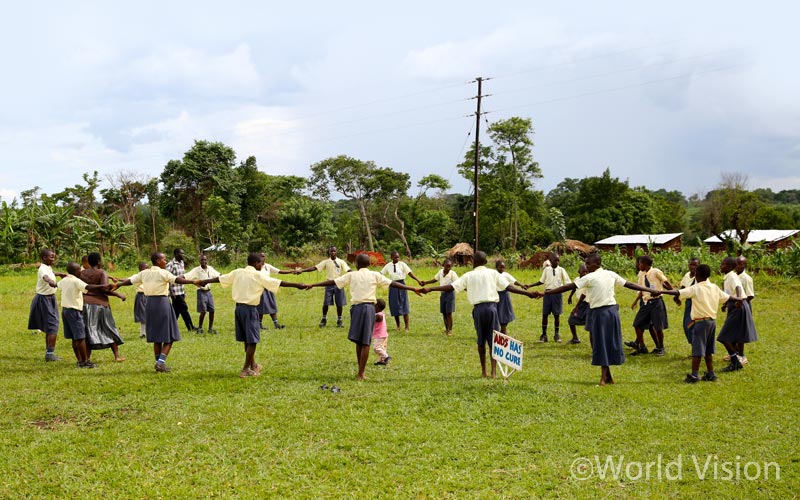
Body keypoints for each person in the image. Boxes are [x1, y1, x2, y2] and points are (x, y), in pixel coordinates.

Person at [532, 253, 661, 386]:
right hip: (610, 313)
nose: (586, 267)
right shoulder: (607, 274)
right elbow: (629, 285)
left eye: (588, 264)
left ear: (597, 263)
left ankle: (604, 378)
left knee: (601, 343)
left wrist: (545, 293)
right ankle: (608, 376)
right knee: (602, 343)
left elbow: (568, 287)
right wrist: (648, 290)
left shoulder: (593, 276)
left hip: (602, 313)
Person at [421, 251, 534, 379]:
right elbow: (509, 287)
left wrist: (431, 289)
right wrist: (528, 294)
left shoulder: (469, 275)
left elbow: (451, 287)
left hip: (479, 310)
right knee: (493, 341)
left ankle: (484, 371)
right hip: (492, 309)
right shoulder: (493, 273)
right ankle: (493, 372)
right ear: (486, 262)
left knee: (481, 341)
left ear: (473, 261)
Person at [308, 253, 420, 380]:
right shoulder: (374, 274)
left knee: (359, 341)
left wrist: (313, 285)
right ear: (369, 264)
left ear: (356, 264)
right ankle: (361, 373)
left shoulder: (351, 275)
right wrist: (412, 288)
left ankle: (360, 373)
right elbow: (393, 284)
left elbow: (332, 282)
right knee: (365, 341)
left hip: (356, 308)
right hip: (368, 309)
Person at [199, 253, 309, 378]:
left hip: (238, 309)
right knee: (253, 340)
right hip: (250, 309)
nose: (262, 266)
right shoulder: (258, 275)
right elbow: (279, 282)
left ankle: (253, 366)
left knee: (247, 338)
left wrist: (204, 281)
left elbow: (219, 279)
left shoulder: (237, 272)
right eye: (261, 264)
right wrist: (297, 285)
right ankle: (245, 369)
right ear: (256, 263)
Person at [113, 252, 201, 373]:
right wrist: (193, 282)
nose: (166, 261)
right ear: (158, 261)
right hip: (162, 303)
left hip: (149, 304)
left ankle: (158, 363)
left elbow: (130, 281)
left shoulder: (144, 273)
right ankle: (160, 363)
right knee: (170, 336)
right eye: (164, 259)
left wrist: (118, 285)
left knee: (156, 337)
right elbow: (177, 280)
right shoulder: (163, 272)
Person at [661, 264, 744, 383]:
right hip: (711, 322)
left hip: (700, 323)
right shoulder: (714, 287)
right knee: (708, 350)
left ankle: (694, 376)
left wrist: (658, 291)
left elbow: (678, 292)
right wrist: (739, 299)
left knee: (697, 351)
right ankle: (711, 373)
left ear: (696, 275)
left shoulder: (696, 288)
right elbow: (727, 297)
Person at [57, 262, 112, 368]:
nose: (81, 272)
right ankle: (85, 362)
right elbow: (88, 287)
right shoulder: (76, 281)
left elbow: (56, 285)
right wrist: (104, 285)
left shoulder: (64, 280)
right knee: (80, 337)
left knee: (74, 337)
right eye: (79, 270)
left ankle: (79, 360)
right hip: (74, 311)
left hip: (65, 311)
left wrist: (49, 281)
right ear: (75, 272)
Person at [81, 252, 126, 362]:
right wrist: (117, 294)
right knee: (109, 327)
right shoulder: (101, 273)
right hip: (100, 304)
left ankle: (86, 358)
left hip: (85, 304)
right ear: (99, 262)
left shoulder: (82, 273)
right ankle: (117, 356)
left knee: (89, 329)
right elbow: (104, 289)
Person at [717, 256, 758, 371]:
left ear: (729, 267)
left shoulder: (732, 276)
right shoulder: (728, 276)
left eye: (723, 264)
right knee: (731, 335)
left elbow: (738, 287)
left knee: (724, 337)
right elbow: (729, 293)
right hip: (733, 305)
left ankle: (736, 360)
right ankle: (736, 359)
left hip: (738, 306)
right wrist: (725, 304)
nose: (721, 266)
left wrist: (739, 300)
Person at [628, 255, 673, 356]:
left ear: (645, 264)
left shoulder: (656, 272)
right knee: (637, 324)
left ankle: (661, 347)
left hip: (656, 302)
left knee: (658, 327)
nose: (638, 265)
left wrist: (674, 293)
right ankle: (642, 347)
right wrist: (635, 301)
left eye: (640, 263)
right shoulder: (641, 274)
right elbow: (642, 288)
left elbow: (665, 282)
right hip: (646, 303)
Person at [296, 246, 351, 328]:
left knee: (339, 303)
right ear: (329, 252)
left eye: (334, 251)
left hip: (339, 283)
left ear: (336, 252)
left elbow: (348, 270)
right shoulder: (326, 262)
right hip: (328, 283)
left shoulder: (341, 262)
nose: (333, 253)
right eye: (331, 251)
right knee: (326, 303)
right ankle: (324, 319)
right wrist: (302, 271)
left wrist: (357, 273)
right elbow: (314, 268)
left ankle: (339, 320)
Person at [28, 248, 66, 362]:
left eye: (54, 256)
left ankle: (49, 353)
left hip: (50, 298)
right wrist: (54, 284)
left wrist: (60, 274)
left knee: (51, 325)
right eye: (51, 257)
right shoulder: (42, 270)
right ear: (44, 258)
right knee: (53, 326)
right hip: (44, 299)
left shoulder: (47, 267)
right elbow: (46, 277)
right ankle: (49, 354)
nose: (53, 259)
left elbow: (50, 273)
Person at [527, 253, 571, 342]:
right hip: (547, 294)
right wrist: (530, 285)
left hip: (558, 294)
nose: (557, 262)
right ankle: (544, 335)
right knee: (545, 314)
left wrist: (570, 294)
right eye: (555, 260)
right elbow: (541, 281)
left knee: (556, 315)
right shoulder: (547, 270)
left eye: (558, 260)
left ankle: (557, 334)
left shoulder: (561, 270)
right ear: (550, 261)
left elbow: (568, 283)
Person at [380, 251, 423, 332]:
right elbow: (381, 274)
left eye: (398, 257)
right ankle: (398, 326)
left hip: (402, 284)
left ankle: (407, 327)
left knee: (404, 305)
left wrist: (418, 280)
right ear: (391, 257)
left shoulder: (402, 264)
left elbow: (410, 273)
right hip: (393, 285)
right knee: (394, 305)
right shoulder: (388, 266)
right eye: (395, 257)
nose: (397, 258)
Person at [183, 254, 221, 334]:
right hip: (201, 292)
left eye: (205, 260)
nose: (204, 261)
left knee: (212, 310)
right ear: (199, 261)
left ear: (207, 260)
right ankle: (200, 327)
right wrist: (179, 278)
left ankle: (210, 328)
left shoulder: (210, 269)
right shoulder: (196, 270)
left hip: (208, 291)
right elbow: (187, 276)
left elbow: (219, 275)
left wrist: (226, 277)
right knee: (203, 311)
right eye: (202, 260)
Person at [419, 258, 458, 335]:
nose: (448, 268)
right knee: (443, 312)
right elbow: (435, 279)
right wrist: (426, 282)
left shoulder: (453, 274)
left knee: (449, 313)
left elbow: (457, 283)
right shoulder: (440, 272)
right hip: (442, 294)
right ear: (443, 265)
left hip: (450, 295)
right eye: (446, 266)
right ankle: (446, 329)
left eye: (450, 267)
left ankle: (450, 330)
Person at [257, 252, 296, 330]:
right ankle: (259, 324)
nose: (263, 258)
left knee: (272, 305)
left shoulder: (267, 266)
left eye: (264, 256)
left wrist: (291, 271)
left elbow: (280, 271)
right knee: (261, 307)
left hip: (269, 287)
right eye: (261, 256)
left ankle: (276, 324)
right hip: (259, 289)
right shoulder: (254, 267)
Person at [165, 248, 196, 332]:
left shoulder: (181, 263)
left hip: (181, 290)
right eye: (181, 253)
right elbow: (167, 279)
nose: (183, 255)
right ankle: (190, 327)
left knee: (177, 310)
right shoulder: (170, 265)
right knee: (184, 308)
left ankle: (170, 327)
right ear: (176, 254)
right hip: (175, 291)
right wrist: (171, 292)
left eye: (183, 253)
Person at [674, 257, 700, 346]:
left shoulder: (700, 277)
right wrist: (678, 297)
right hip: (689, 303)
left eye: (695, 265)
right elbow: (682, 287)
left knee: (693, 325)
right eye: (691, 265)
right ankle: (694, 345)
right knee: (687, 325)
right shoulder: (687, 275)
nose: (693, 267)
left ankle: (696, 349)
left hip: (697, 303)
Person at [495, 259, 525, 335]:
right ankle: (497, 331)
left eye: (503, 267)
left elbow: (514, 281)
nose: (501, 269)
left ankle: (503, 329)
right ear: (496, 267)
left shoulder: (505, 275)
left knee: (505, 313)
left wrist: (521, 285)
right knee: (497, 313)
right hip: (495, 296)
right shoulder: (493, 274)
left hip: (505, 296)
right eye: (500, 267)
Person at [566, 264, 589, 345]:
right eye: (583, 272)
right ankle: (575, 338)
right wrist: (570, 296)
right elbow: (574, 287)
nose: (585, 273)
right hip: (581, 303)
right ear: (579, 272)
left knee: (591, 323)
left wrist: (577, 306)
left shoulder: (588, 280)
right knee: (571, 320)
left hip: (586, 303)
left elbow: (584, 295)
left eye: (587, 272)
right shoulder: (577, 279)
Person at [372, 299, 391, 365]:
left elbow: (378, 318)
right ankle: (381, 361)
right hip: (383, 334)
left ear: (377, 307)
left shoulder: (379, 315)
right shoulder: (381, 313)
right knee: (382, 348)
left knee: (376, 348)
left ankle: (386, 357)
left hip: (380, 335)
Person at [133, 262, 148, 338]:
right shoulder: (137, 276)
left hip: (149, 295)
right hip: (141, 296)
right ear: (141, 269)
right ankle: (143, 333)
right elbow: (128, 280)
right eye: (146, 267)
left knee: (149, 314)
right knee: (143, 315)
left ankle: (146, 332)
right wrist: (118, 280)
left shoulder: (149, 276)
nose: (147, 269)